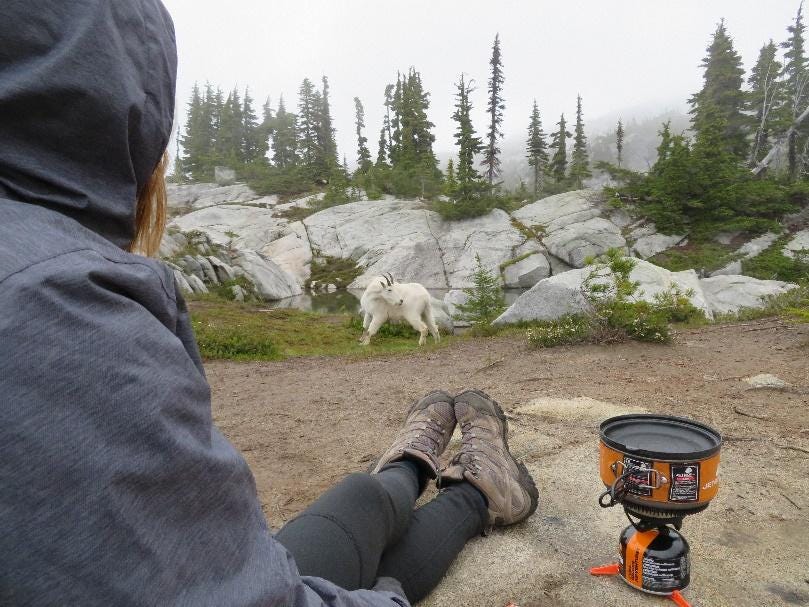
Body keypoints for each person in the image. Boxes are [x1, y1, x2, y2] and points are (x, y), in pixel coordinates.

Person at [0, 2, 538, 606]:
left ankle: (411, 464)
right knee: (365, 554)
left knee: (364, 495)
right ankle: (478, 491)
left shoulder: (34, 268)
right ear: (126, 112)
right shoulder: (56, 305)